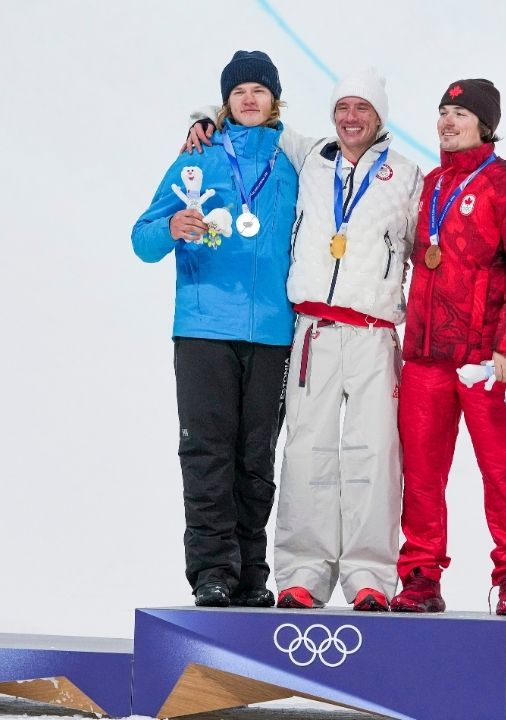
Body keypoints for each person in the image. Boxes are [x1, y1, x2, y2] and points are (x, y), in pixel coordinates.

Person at [188, 69, 422, 612]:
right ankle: (303, 574)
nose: (350, 117)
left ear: (380, 116)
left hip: (373, 334)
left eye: (362, 108)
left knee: (373, 454)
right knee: (305, 452)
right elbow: (252, 120)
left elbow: (425, 251)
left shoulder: (407, 176)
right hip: (312, 332)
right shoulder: (308, 154)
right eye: (343, 107)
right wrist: (202, 120)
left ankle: (370, 576)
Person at [132, 50, 298, 608]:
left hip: (274, 330)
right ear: (225, 101)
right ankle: (211, 572)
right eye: (237, 92)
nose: (249, 99)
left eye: (259, 90)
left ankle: (251, 572)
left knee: (257, 455)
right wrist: (171, 226)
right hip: (203, 327)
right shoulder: (195, 157)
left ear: (276, 99)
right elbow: (142, 238)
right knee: (206, 452)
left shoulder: (296, 159)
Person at [389, 79, 506, 617]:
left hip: (490, 361)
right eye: (442, 111)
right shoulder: (431, 184)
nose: (447, 121)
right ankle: (419, 575)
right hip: (427, 358)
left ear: (485, 124)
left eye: (460, 113)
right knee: (419, 474)